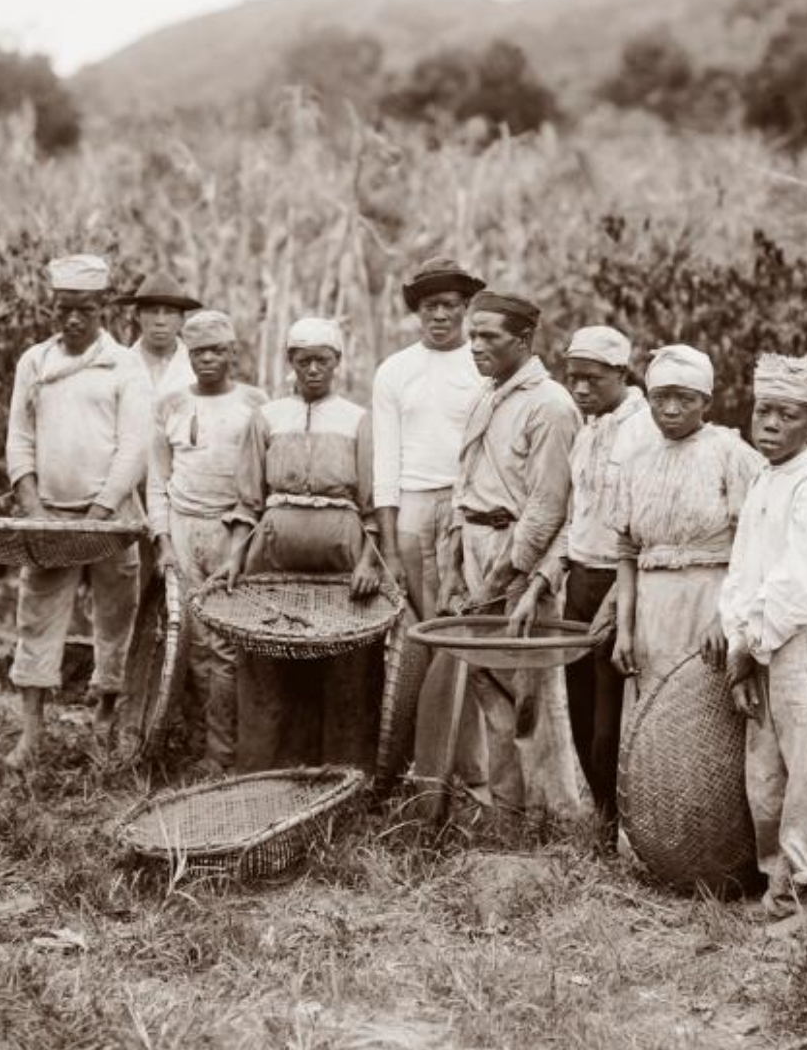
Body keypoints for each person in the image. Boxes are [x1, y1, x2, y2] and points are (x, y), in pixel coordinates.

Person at [437, 290, 590, 830]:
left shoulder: (550, 405)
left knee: (534, 692)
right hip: (478, 547)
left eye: (488, 337)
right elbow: (465, 481)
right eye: (472, 335)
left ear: (523, 341)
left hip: (522, 563)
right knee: (488, 684)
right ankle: (508, 812)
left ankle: (555, 819)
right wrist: (455, 563)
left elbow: (549, 506)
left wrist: (507, 578)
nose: (474, 345)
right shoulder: (488, 394)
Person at [714, 353, 807, 926]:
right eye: (762, 411)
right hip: (762, 640)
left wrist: (754, 642)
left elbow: (798, 584)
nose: (769, 424)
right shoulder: (767, 481)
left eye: (785, 415)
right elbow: (743, 573)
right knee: (765, 774)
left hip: (802, 642)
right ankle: (780, 889)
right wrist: (737, 639)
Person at [2, 254, 154, 769]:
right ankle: (30, 735)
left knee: (116, 615)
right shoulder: (35, 363)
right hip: (50, 516)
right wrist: (31, 504)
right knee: (38, 615)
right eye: (63, 309)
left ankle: (106, 719)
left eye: (84, 310)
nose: (72, 320)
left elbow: (135, 445)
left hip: (111, 517)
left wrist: (102, 507)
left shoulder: (124, 365)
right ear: (54, 306)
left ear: (102, 308)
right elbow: (19, 439)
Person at [218, 317, 387, 771]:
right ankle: (266, 773)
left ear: (337, 364)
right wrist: (235, 556)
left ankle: (343, 775)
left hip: (342, 560)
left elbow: (373, 502)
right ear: (290, 362)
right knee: (269, 658)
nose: (313, 369)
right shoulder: (268, 417)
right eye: (304, 360)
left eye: (323, 361)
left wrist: (370, 561)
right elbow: (248, 499)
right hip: (272, 556)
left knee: (346, 664)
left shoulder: (357, 420)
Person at [513, 325, 660, 831]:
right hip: (580, 581)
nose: (579, 389)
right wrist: (540, 583)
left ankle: (631, 829)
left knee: (611, 724)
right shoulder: (588, 429)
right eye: (572, 378)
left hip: (622, 586)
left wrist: (621, 601)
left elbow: (644, 532)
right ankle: (602, 821)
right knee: (579, 714)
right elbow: (574, 522)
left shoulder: (646, 429)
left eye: (592, 379)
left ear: (621, 373)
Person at [608, 342, 765, 784]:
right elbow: (626, 550)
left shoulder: (731, 455)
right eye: (660, 398)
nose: (671, 409)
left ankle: (716, 844)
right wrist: (625, 628)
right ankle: (652, 842)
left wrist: (726, 618)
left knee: (709, 721)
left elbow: (752, 547)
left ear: (706, 402)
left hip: (710, 600)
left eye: (685, 399)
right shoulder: (636, 461)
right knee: (654, 722)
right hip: (653, 609)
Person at [373, 256, 489, 792]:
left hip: (471, 510)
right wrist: (391, 546)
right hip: (414, 509)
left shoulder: (484, 365)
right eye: (429, 307)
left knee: (465, 637)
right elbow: (386, 463)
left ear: (466, 309)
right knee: (420, 638)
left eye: (448, 306)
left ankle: (472, 778)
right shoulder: (395, 371)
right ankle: (421, 774)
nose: (439, 316)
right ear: (416, 312)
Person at [147, 310, 269, 773]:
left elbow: (261, 478)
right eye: (199, 351)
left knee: (228, 645)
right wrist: (162, 540)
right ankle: (202, 748)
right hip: (183, 526)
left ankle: (229, 752)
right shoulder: (170, 404)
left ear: (233, 352)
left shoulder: (255, 403)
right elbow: (157, 480)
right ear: (188, 353)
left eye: (218, 350)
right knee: (193, 645)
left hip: (233, 530)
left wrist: (246, 538)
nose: (208, 359)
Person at [124, 271, 201, 399]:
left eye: (169, 312)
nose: (160, 321)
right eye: (152, 312)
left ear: (182, 319)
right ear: (137, 315)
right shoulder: (119, 365)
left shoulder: (198, 369)